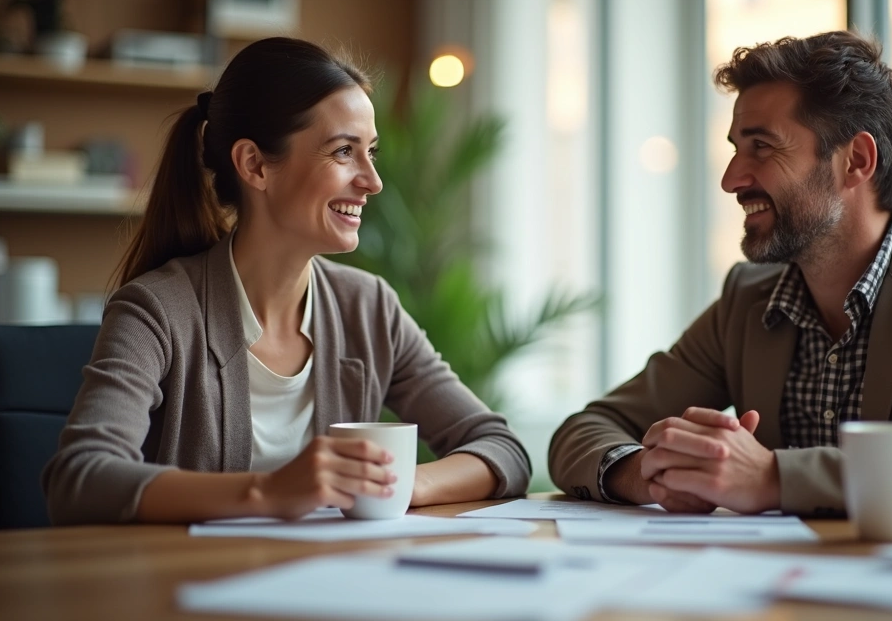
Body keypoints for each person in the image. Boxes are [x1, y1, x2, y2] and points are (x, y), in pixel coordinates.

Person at [548, 30, 892, 522]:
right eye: (734, 148)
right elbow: (581, 432)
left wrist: (772, 477)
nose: (731, 179)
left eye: (762, 147)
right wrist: (648, 474)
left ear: (856, 161)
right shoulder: (747, 302)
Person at [43, 37, 531, 525]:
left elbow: (502, 450)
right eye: (344, 151)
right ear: (255, 164)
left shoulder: (369, 308)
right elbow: (80, 477)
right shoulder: (156, 310)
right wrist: (269, 491)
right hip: (189, 593)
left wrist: (396, 484)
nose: (372, 181)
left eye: (371, 152)